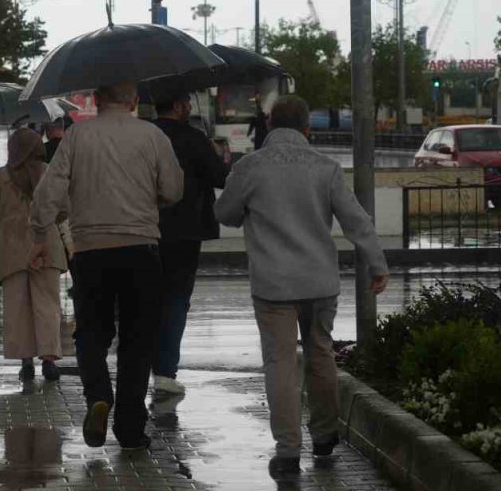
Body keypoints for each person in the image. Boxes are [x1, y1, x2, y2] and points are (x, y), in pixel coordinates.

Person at [214, 95, 389, 479]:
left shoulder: (251, 166)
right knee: (320, 355)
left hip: (273, 284)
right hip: (319, 281)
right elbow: (355, 220)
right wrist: (376, 263)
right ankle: (325, 437)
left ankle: (288, 451)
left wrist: (246, 204)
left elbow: (224, 214)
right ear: (307, 128)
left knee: (280, 363)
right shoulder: (325, 168)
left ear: (271, 126)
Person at [31, 81, 183, 452]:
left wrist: (39, 230)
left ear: (96, 101)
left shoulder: (77, 136)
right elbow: (174, 189)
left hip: (91, 251)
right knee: (138, 339)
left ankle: (98, 394)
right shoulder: (153, 135)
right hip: (141, 249)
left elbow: (49, 190)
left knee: (91, 333)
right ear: (133, 100)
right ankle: (131, 429)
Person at [150, 94, 228, 397]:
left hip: (144, 228)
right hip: (185, 231)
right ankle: (165, 372)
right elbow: (220, 178)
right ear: (179, 106)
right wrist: (219, 155)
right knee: (177, 299)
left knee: (147, 299)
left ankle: (142, 364)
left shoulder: (146, 134)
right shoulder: (194, 138)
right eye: (187, 105)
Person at [0, 128, 69, 382]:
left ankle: (26, 361)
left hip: (11, 249)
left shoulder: (1, 176)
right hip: (47, 247)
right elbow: (64, 210)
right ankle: (50, 359)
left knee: (17, 307)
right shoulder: (50, 172)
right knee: (48, 305)